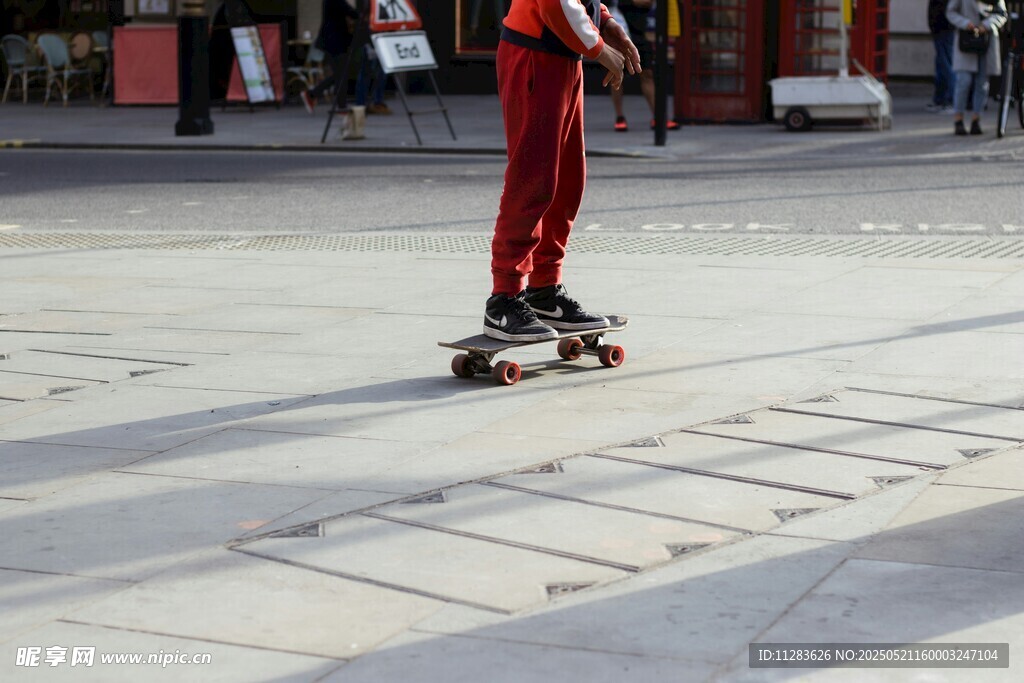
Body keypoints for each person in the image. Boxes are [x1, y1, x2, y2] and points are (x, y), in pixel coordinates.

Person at [483, 0, 641, 341]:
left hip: (563, 55)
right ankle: (503, 299)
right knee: (531, 181)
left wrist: (606, 22)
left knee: (568, 182)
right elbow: (556, 4)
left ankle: (544, 290)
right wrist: (600, 48)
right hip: (535, 53)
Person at [608, 0, 679, 131]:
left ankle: (658, 117)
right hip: (620, 31)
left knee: (647, 74)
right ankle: (619, 117)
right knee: (616, 75)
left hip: (641, 35)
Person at [946, 0, 1007, 135]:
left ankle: (976, 119)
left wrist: (987, 25)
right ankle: (958, 119)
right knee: (963, 81)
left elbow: (1002, 14)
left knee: (982, 84)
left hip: (986, 41)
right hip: (966, 40)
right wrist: (965, 23)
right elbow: (951, 12)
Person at [300, 0, 360, 114]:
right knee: (341, 74)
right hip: (334, 42)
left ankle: (314, 94)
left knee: (340, 74)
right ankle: (339, 105)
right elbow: (350, 11)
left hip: (333, 41)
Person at [927, 0, 956, 112]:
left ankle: (951, 100)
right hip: (939, 28)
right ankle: (940, 99)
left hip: (944, 28)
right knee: (940, 66)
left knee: (947, 65)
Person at [355, 43, 391, 114]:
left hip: (375, 41)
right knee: (367, 72)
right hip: (371, 42)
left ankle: (365, 103)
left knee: (379, 72)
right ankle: (363, 104)